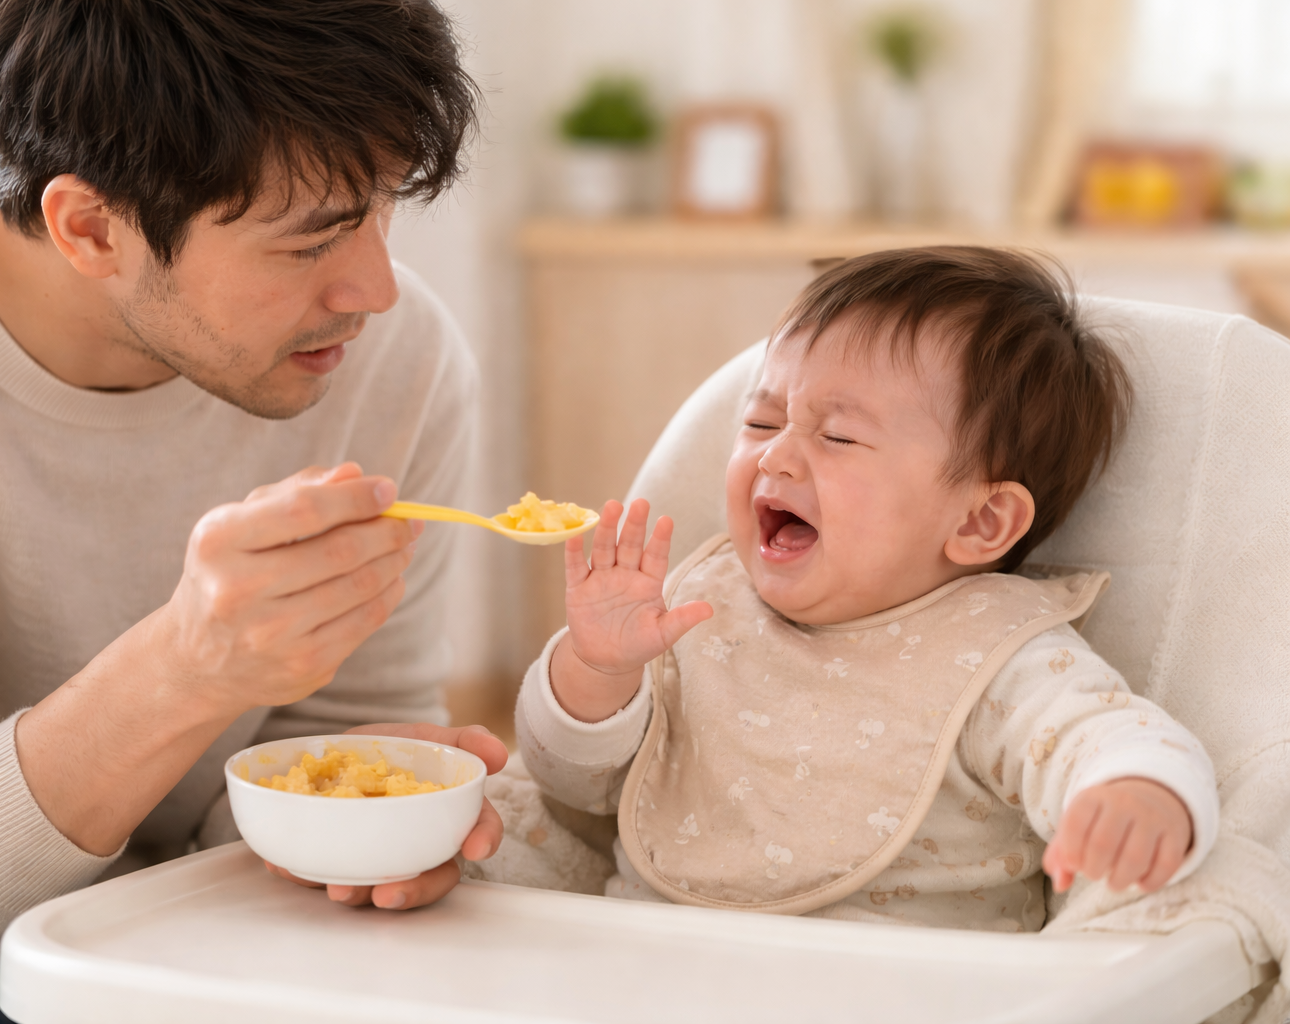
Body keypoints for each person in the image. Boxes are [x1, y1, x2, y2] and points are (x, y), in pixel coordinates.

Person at [0, 0, 508, 1017]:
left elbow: (311, 769)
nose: (376, 287)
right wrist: (185, 668)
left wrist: (361, 841)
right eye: (311, 241)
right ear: (90, 227)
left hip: (164, 926)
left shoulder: (394, 363)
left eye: (382, 206)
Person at [517, 247, 1221, 928]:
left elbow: (1104, 736)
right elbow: (572, 793)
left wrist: (1137, 791)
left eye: (840, 438)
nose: (776, 454)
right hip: (648, 974)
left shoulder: (995, 656)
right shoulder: (696, 607)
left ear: (980, 519)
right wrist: (597, 671)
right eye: (761, 421)